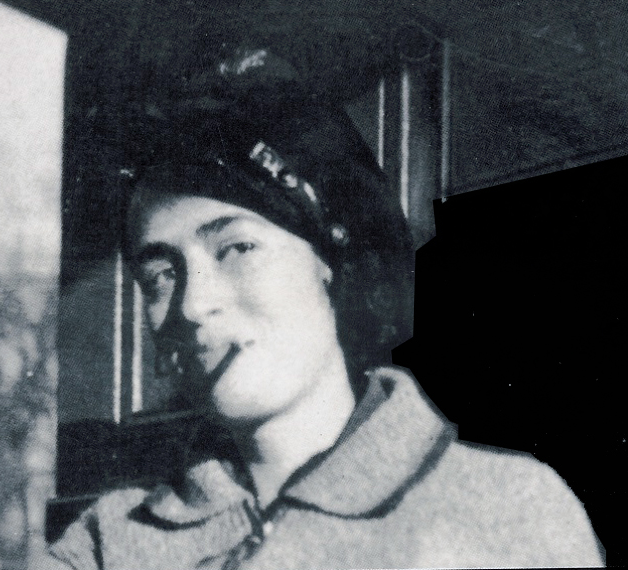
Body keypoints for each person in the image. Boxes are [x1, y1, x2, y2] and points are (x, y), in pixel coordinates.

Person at [44, 53, 604, 570]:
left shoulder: (504, 510)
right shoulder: (108, 544)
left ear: (330, 264)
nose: (192, 305)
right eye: (159, 277)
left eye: (236, 248)